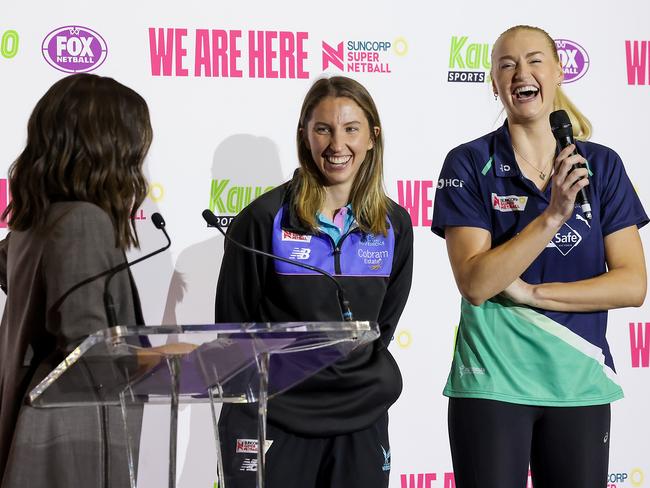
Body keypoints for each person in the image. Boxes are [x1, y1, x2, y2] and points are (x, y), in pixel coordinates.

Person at [432, 24, 648, 488]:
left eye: (533, 61)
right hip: (492, 382)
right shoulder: (468, 163)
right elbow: (476, 283)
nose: (520, 73)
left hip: (578, 381)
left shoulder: (602, 165)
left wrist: (531, 292)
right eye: (506, 65)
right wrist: (551, 216)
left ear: (558, 71)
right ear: (493, 83)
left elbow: (632, 285)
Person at [215, 75, 413, 487]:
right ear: (304, 136)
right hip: (275, 418)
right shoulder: (261, 220)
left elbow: (383, 327)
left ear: (373, 137)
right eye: (323, 129)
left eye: (351, 129)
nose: (337, 145)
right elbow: (233, 330)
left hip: (360, 418)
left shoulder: (395, 224)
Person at [0, 73, 153, 487]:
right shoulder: (83, 221)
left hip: (43, 428)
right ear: (109, 145)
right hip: (72, 437)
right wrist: (166, 359)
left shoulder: (30, 226)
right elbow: (87, 348)